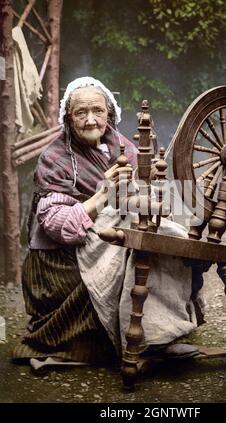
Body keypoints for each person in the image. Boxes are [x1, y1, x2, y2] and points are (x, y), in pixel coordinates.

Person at [13, 77, 200, 370]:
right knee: (130, 249)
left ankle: (163, 332)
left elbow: (146, 192)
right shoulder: (55, 157)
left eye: (97, 111)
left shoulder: (120, 144)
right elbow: (57, 225)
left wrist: (173, 192)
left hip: (102, 236)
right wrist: (102, 194)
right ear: (68, 118)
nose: (90, 121)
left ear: (109, 114)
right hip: (59, 258)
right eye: (81, 113)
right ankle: (144, 341)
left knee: (164, 237)